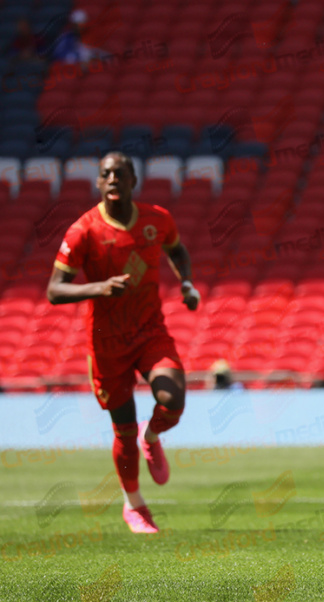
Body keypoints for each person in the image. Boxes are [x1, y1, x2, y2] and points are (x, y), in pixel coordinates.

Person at [48, 152, 200, 534]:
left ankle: (154, 437)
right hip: (107, 343)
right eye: (106, 174)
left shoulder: (157, 219)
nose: (113, 178)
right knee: (123, 431)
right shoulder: (82, 231)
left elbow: (177, 250)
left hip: (150, 330)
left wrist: (186, 283)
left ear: (134, 180)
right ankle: (134, 506)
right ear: (98, 183)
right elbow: (54, 289)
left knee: (173, 398)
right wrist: (99, 287)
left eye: (120, 173)